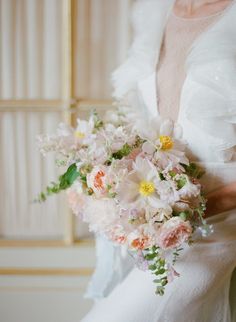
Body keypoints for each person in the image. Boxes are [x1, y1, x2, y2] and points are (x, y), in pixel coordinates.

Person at [81, 0, 236, 321]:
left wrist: (190, 209)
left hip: (219, 221)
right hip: (158, 219)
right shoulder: (154, 10)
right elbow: (142, 116)